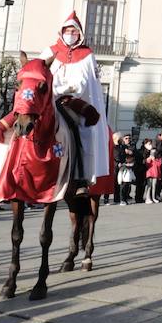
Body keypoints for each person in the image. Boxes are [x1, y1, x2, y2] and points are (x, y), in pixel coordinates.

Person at [46, 12, 115, 199]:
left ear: (79, 34)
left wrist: (62, 88)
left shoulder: (87, 55)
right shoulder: (50, 51)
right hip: (49, 99)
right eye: (68, 30)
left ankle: (82, 177)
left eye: (74, 31)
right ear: (61, 32)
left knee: (85, 131)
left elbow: (83, 82)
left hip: (73, 100)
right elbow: (38, 73)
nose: (71, 34)